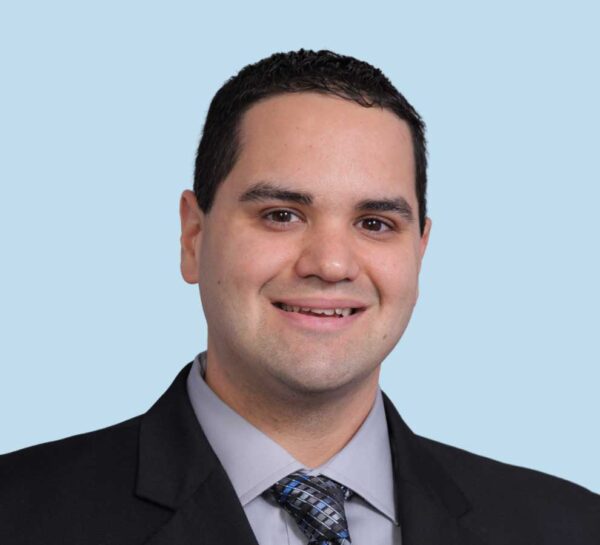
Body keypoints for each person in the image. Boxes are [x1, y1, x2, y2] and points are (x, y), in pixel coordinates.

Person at [1, 49, 598, 545]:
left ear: (419, 251)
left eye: (375, 223)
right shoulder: (20, 515)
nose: (331, 264)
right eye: (282, 214)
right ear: (193, 236)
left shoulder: (569, 527)